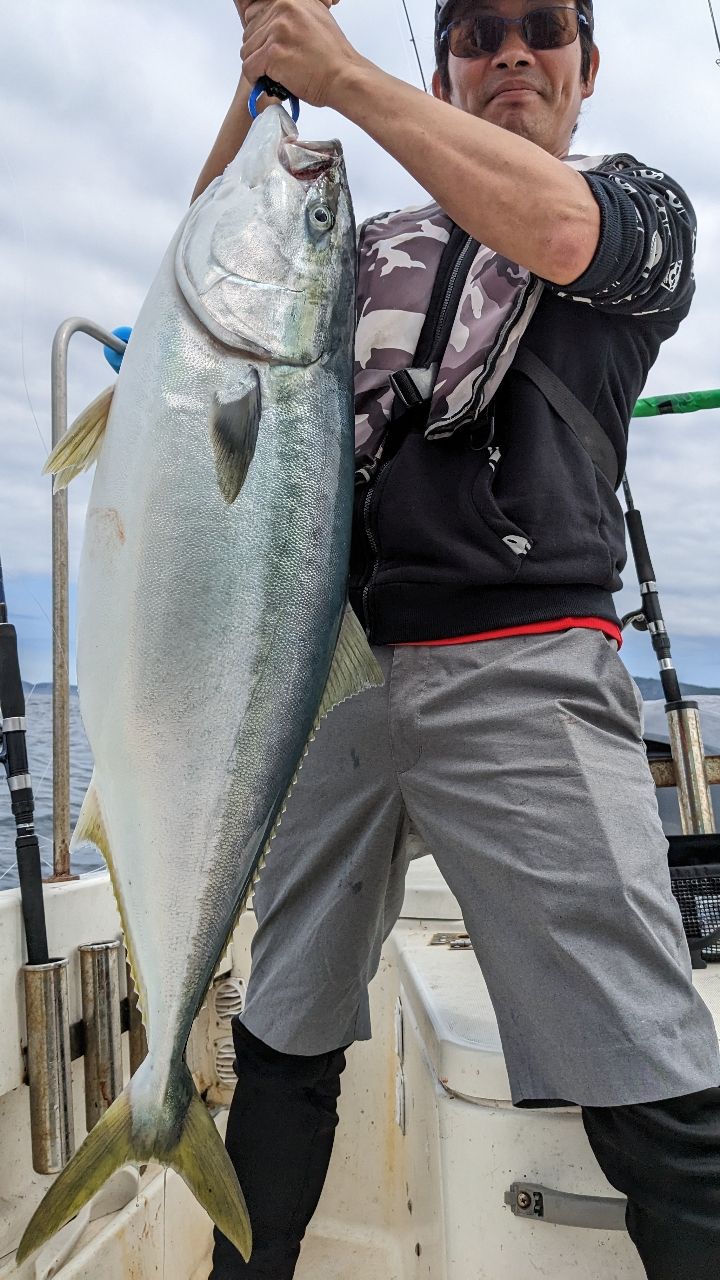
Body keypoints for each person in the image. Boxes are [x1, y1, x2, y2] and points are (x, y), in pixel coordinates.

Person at [193, 2, 720, 1277]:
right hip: (334, 671)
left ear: (588, 69)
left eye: (545, 28)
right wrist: (272, 69)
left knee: (653, 1081)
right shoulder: (362, 244)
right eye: (480, 33)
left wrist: (349, 76)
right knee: (281, 1036)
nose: (513, 54)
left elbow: (549, 227)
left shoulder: (635, 211)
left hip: (528, 658)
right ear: (451, 66)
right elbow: (214, 265)